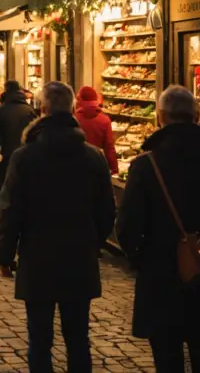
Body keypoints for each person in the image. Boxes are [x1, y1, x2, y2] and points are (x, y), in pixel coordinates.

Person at [0, 81, 116, 373]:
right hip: (79, 258)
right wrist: (93, 241)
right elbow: (106, 211)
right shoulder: (92, 157)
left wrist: (6, 254)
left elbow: (11, 210)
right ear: (72, 110)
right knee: (78, 339)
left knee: (39, 340)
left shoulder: (24, 157)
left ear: (43, 110)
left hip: (38, 258)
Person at [117, 85, 200, 372]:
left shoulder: (146, 165)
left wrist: (142, 259)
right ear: (196, 115)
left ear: (161, 116)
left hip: (161, 274)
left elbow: (127, 226)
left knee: (167, 356)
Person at [0, 80, 36, 191]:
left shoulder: (1, 110)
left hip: (5, 154)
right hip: (25, 154)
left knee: (6, 186)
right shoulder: (29, 110)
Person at [74, 86, 118, 175]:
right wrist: (114, 170)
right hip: (98, 166)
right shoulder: (105, 120)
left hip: (76, 167)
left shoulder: (74, 119)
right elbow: (109, 148)